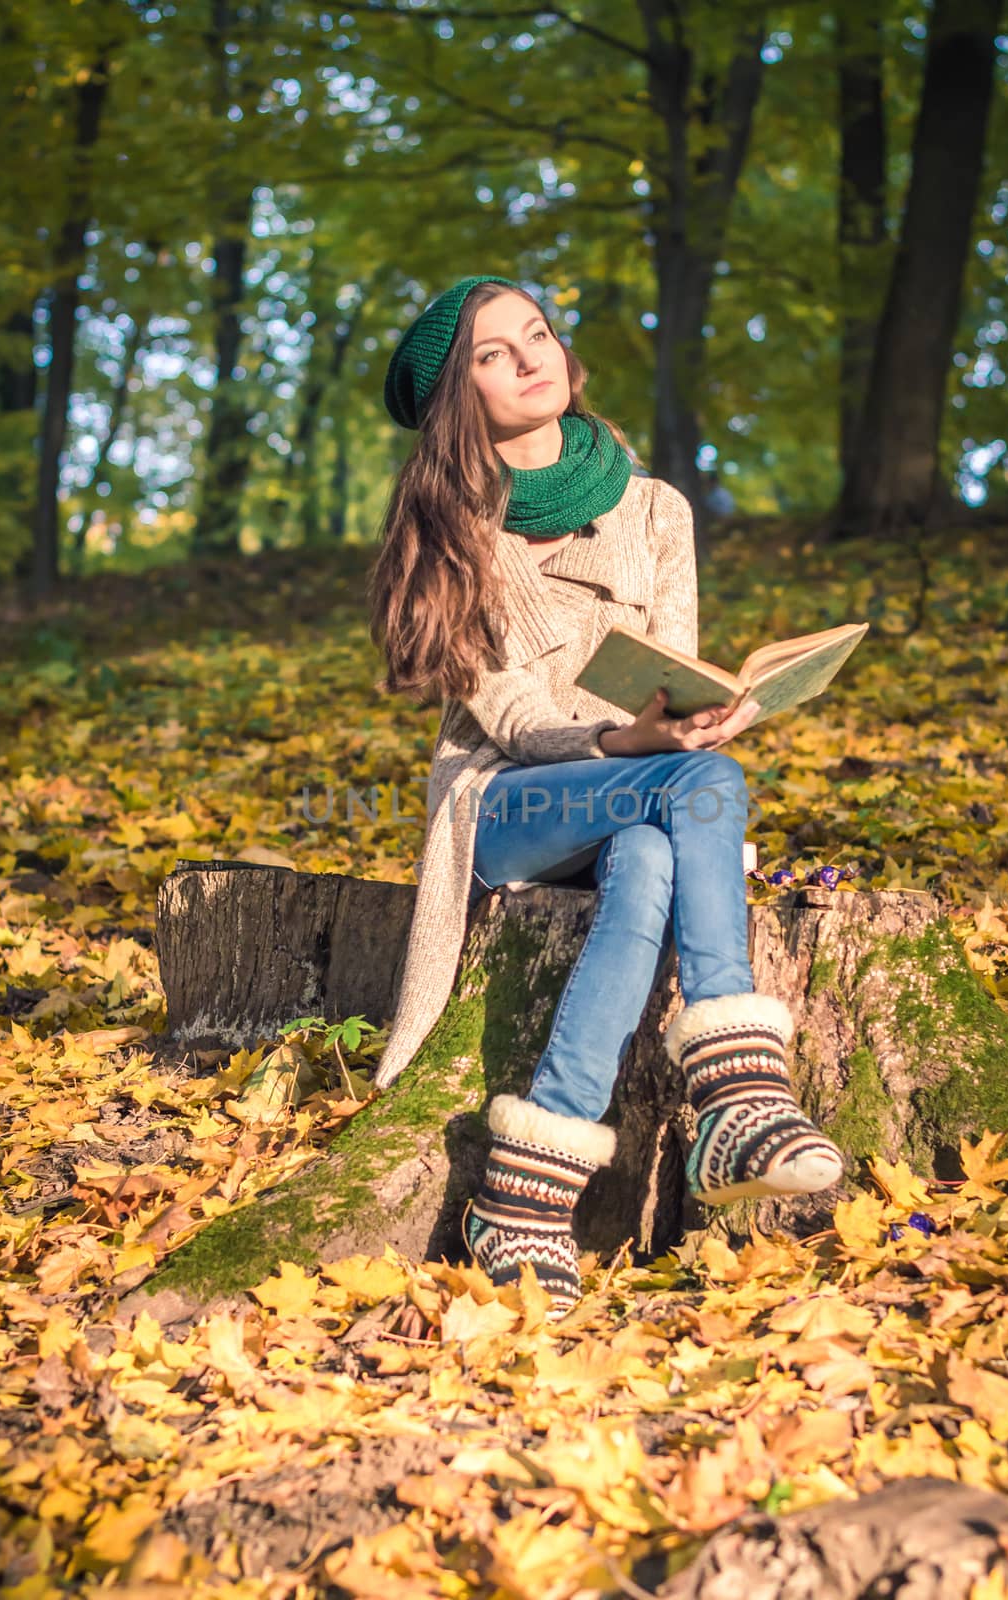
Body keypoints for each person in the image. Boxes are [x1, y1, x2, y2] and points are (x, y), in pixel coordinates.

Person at [367, 274, 842, 1320]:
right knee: (696, 783)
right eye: (494, 352)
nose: (530, 357)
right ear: (458, 392)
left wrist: (693, 715)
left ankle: (524, 1197)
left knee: (661, 843)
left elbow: (669, 663)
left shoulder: (653, 507)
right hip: (508, 806)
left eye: (536, 334)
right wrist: (628, 740)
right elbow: (505, 714)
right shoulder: (447, 529)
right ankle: (738, 1091)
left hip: (642, 786)